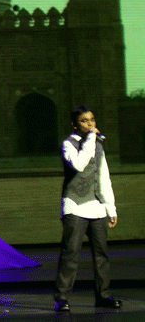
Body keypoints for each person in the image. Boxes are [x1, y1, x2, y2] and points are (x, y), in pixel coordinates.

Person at [54, 105, 121, 312]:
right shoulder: (68, 144)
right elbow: (80, 164)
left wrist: (111, 208)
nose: (90, 124)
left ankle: (103, 296)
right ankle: (62, 298)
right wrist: (92, 138)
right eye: (84, 120)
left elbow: (103, 177)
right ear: (75, 124)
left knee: (101, 255)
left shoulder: (97, 145)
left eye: (92, 119)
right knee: (71, 254)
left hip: (97, 207)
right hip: (75, 205)